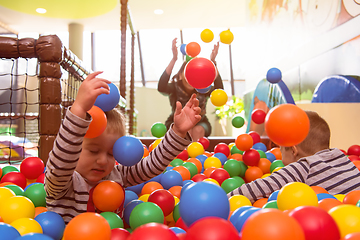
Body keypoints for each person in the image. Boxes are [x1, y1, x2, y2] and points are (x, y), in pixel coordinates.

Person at [44, 71, 202, 224]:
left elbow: (151, 166)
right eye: (93, 151)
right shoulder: (62, 182)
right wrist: (78, 109)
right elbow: (62, 161)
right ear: (75, 146)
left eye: (112, 154)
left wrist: (178, 132)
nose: (102, 161)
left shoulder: (116, 175)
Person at [228, 110, 360, 203]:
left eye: (280, 147)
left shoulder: (304, 166)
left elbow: (254, 189)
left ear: (293, 150)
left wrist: (225, 198)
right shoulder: (341, 157)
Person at [158, 38, 224, 142]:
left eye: (196, 74)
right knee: (186, 131)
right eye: (189, 73)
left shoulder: (203, 87)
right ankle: (183, 157)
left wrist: (212, 63)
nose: (193, 77)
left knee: (197, 130)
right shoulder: (175, 87)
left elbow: (219, 91)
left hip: (201, 123)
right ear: (181, 74)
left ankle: (195, 158)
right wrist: (174, 59)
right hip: (176, 122)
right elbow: (161, 87)